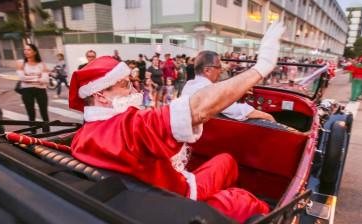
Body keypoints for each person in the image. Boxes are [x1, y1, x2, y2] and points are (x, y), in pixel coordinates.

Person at [67, 22, 286, 222]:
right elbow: (198, 109)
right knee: (242, 198)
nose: (134, 90)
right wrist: (261, 67)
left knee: (226, 160)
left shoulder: (84, 135)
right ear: (101, 95)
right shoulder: (128, 129)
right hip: (180, 195)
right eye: (125, 85)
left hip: (154, 192)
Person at [181, 51, 275, 122]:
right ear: (207, 70)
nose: (221, 70)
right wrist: (268, 117)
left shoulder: (189, 85)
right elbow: (239, 111)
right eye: (218, 67)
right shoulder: (210, 90)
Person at [16, 43, 50, 127]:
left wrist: (29, 77)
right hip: (27, 91)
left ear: (35, 52)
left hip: (41, 90)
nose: (26, 52)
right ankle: (33, 133)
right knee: (31, 113)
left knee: (44, 112)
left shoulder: (41, 64)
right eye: (25, 50)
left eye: (29, 50)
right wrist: (37, 78)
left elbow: (45, 79)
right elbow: (22, 78)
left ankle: (46, 131)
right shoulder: (21, 63)